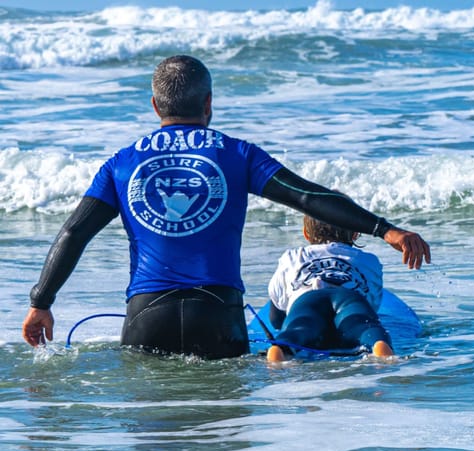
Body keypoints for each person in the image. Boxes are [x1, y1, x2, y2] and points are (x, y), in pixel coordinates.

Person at [21, 54, 431, 359]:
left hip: (148, 316)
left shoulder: (121, 163)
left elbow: (75, 231)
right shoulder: (237, 155)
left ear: (154, 106)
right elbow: (308, 197)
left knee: (151, 448)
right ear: (208, 104)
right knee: (223, 448)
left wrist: (41, 302)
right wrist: (385, 229)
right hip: (217, 316)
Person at [266, 210, 392, 362]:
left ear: (306, 233)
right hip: (349, 297)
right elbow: (372, 306)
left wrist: (288, 323)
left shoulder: (292, 257)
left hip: (307, 299)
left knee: (301, 327)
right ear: (355, 233)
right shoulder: (368, 260)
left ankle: (281, 348)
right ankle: (378, 344)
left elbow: (276, 318)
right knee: (363, 326)